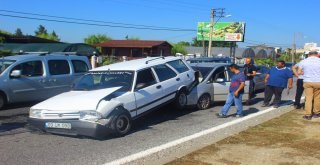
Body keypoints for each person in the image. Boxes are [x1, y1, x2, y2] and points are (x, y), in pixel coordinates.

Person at [297, 50, 320, 120]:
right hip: (318, 81)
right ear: (317, 54)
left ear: (309, 55)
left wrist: (305, 73)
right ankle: (316, 113)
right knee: (317, 97)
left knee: (308, 98)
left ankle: (308, 115)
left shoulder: (303, 61)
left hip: (307, 81)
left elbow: (299, 72)